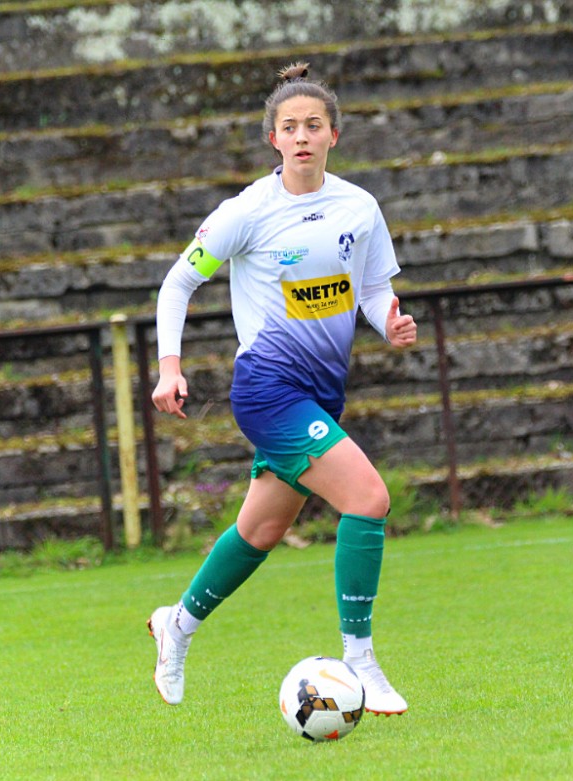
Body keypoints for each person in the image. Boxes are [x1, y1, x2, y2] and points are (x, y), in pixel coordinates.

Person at [146, 62, 418, 715]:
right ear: (273, 138)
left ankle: (177, 624)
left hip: (322, 394)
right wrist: (169, 366)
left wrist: (387, 322)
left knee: (261, 529)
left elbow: (372, 287)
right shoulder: (247, 212)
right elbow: (178, 283)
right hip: (268, 389)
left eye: (313, 126)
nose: (302, 136)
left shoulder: (359, 207)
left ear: (333, 135)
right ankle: (360, 659)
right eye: (290, 127)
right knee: (369, 498)